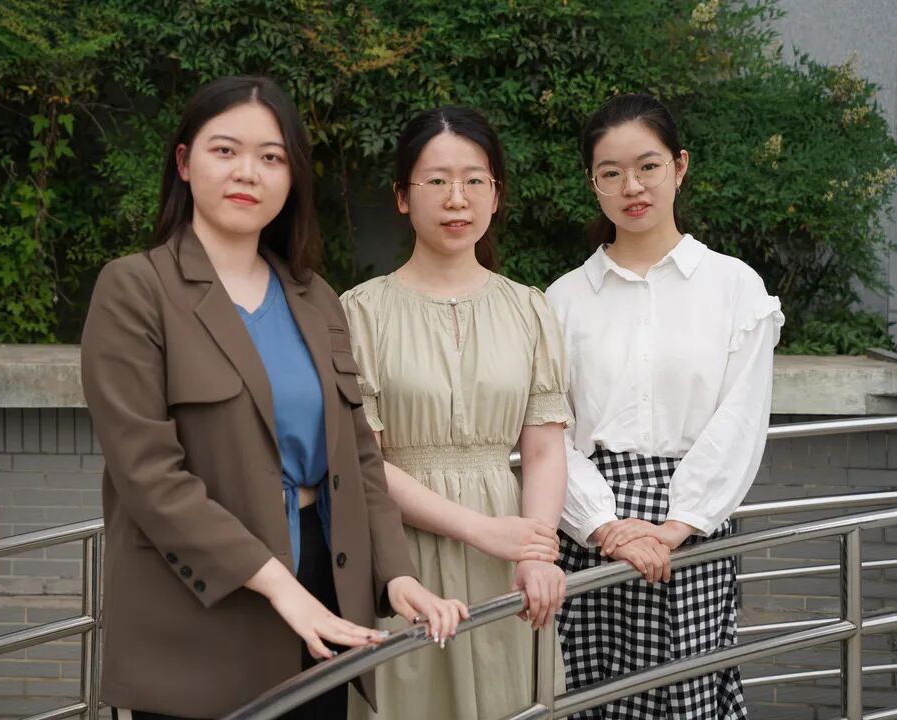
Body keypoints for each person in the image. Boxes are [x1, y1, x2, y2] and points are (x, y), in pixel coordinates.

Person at [80, 75, 467, 720]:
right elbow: (149, 477)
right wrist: (280, 587)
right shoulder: (135, 289)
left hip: (324, 585)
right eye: (225, 150)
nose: (247, 173)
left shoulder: (314, 297)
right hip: (205, 602)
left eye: (272, 157)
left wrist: (396, 574)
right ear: (184, 162)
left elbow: (358, 459)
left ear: (292, 178)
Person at [547, 93, 783, 719]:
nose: (632, 187)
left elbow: (741, 421)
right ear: (592, 183)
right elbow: (547, 433)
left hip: (693, 526)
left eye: (648, 166)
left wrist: (676, 524)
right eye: (611, 172)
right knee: (590, 694)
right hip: (591, 528)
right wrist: (604, 525)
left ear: (680, 166)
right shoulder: (562, 300)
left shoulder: (734, 287)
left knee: (689, 697)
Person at [342, 106, 571, 720]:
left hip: (508, 557)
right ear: (402, 196)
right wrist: (480, 530)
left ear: (496, 194)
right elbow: (363, 461)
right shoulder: (360, 312)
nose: (456, 198)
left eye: (474, 180)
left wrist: (534, 551)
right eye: (437, 180)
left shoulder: (529, 309)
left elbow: (545, 449)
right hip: (402, 556)